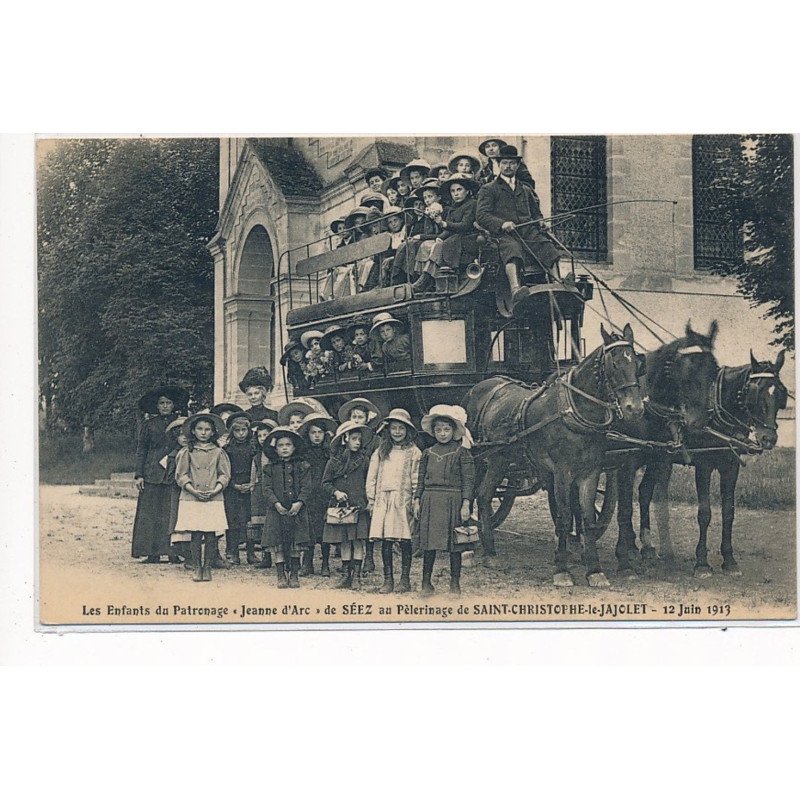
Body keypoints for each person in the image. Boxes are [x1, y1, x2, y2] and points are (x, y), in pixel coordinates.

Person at [476, 144, 567, 304]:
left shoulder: (525, 189)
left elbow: (536, 213)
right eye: (504, 163)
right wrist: (502, 224)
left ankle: (558, 284)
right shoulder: (489, 189)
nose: (508, 166)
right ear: (499, 165)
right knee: (512, 250)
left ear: (518, 165)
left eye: (512, 163)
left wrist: (541, 222)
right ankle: (515, 289)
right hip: (504, 235)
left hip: (528, 232)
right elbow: (481, 216)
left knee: (548, 247)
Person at [414, 405, 475, 595]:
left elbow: (468, 481)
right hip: (430, 500)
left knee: (454, 544)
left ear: (454, 431)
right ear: (433, 432)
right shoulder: (428, 453)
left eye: (446, 429)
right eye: (438, 430)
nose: (442, 433)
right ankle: (426, 583)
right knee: (429, 544)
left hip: (453, 500)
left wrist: (466, 503)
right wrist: (417, 499)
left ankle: (455, 583)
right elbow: (420, 478)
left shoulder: (462, 453)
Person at [366, 408, 421, 593]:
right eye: (394, 428)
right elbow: (372, 477)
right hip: (383, 500)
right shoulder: (381, 451)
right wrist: (372, 499)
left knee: (405, 539)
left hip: (403, 500)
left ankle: (405, 579)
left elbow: (416, 477)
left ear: (408, 430)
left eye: (401, 428)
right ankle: (388, 579)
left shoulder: (414, 452)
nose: (397, 432)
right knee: (386, 541)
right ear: (388, 430)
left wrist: (415, 499)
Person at [132, 386, 187, 564]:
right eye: (161, 403)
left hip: (174, 471)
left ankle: (173, 552)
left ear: (174, 405)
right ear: (157, 406)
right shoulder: (148, 425)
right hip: (152, 471)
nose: (165, 406)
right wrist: (139, 474)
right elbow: (142, 450)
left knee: (170, 511)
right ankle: (151, 552)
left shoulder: (181, 424)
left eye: (168, 403)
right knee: (150, 512)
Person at [174, 413, 231, 582]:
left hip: (213, 497)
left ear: (213, 432)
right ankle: (197, 567)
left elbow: (224, 475)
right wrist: (193, 490)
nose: (204, 433)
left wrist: (216, 489)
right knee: (196, 533)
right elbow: (181, 475)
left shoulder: (219, 452)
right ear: (193, 431)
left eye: (207, 429)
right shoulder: (187, 452)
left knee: (211, 533)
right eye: (200, 429)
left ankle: (207, 567)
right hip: (192, 497)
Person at [322, 421, 374, 590]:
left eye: (359, 439)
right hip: (341, 509)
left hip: (359, 506)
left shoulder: (364, 461)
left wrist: (369, 501)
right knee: (344, 541)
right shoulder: (333, 462)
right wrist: (336, 492)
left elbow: (370, 482)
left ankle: (357, 576)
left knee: (357, 541)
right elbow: (325, 483)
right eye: (354, 439)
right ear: (345, 439)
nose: (357, 442)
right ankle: (346, 576)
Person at [260, 426, 312, 588]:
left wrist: (299, 502)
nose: (284, 448)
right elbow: (266, 488)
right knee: (278, 544)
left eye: (288, 445)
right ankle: (281, 575)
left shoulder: (303, 466)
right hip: (276, 510)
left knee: (296, 542)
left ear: (294, 447)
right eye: (280, 445)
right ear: (275, 449)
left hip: (297, 510)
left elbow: (307, 487)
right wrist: (276, 503)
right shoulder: (269, 468)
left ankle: (294, 575)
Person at [412, 174, 480, 293]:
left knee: (441, 245)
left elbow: (465, 226)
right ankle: (425, 279)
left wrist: (443, 224)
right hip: (456, 238)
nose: (456, 194)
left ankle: (426, 280)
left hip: (469, 238)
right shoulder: (454, 207)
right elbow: (448, 230)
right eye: (453, 191)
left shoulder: (472, 204)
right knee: (435, 244)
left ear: (467, 191)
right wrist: (440, 237)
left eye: (459, 190)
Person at [337, 395, 383, 573]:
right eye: (354, 417)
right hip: (352, 484)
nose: (357, 420)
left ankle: (368, 556)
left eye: (360, 417)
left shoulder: (375, 440)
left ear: (367, 419)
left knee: (366, 523)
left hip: (368, 482)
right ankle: (347, 560)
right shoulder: (346, 438)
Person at [298, 412, 337, 576]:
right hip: (308, 496)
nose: (316, 436)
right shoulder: (303, 453)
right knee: (308, 529)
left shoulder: (329, 453)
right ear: (308, 434)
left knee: (324, 531)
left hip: (324, 495)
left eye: (320, 432)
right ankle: (307, 563)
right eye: (313, 432)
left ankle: (325, 563)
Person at [222, 411, 257, 565]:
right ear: (232, 432)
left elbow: (257, 468)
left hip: (250, 486)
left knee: (249, 521)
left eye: (244, 430)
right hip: (232, 487)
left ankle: (251, 553)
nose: (241, 434)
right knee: (232, 520)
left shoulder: (254, 448)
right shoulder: (227, 449)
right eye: (237, 431)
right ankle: (233, 552)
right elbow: (224, 469)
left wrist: (251, 483)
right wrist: (233, 485)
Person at [249, 420, 276, 569]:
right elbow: (253, 477)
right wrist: (252, 488)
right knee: (262, 526)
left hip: (274, 491)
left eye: (266, 435)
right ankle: (266, 557)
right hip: (260, 493)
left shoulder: (277, 455)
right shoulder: (257, 457)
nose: (263, 438)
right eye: (260, 436)